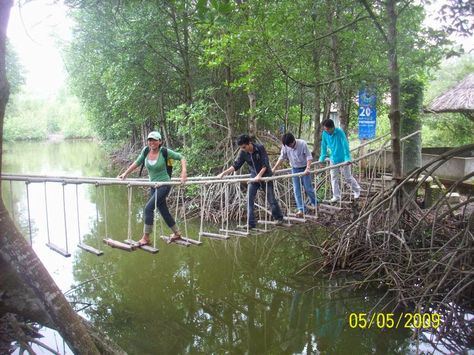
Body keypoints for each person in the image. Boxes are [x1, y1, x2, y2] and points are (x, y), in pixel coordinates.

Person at [118, 131, 187, 244]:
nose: (152, 142)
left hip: (164, 184)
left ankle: (146, 237)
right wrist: (125, 174)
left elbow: (181, 157)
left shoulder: (164, 152)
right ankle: (177, 233)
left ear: (160, 142)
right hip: (153, 186)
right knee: (163, 210)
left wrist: (183, 172)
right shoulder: (145, 151)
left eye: (155, 140)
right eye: (150, 140)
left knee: (148, 208)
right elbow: (137, 162)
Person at [217, 134, 284, 229]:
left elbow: (265, 164)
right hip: (254, 177)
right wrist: (223, 173)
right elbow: (236, 165)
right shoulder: (243, 152)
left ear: (249, 143)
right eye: (241, 148)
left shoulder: (260, 148)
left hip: (265, 176)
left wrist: (259, 176)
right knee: (249, 199)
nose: (243, 149)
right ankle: (250, 223)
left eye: (244, 147)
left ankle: (279, 218)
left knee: (271, 199)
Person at [272, 132, 317, 218]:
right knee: (296, 189)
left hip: (304, 168)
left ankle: (315, 203)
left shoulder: (302, 143)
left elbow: (309, 157)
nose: (290, 147)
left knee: (308, 188)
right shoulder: (285, 146)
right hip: (295, 168)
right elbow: (282, 157)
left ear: (294, 141)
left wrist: (308, 168)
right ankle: (301, 209)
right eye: (287, 146)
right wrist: (274, 169)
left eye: (291, 145)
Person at [318, 119, 360, 202]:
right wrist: (322, 157)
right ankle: (336, 196)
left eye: (327, 129)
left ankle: (357, 190)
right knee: (333, 177)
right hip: (333, 158)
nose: (326, 131)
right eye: (324, 129)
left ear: (332, 128)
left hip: (343, 158)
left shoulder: (339, 132)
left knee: (347, 177)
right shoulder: (325, 134)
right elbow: (323, 145)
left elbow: (345, 145)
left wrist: (347, 158)